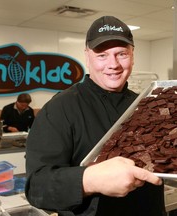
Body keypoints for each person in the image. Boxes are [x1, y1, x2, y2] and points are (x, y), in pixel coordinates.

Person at [25, 16, 166, 216]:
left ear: (133, 55)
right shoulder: (59, 109)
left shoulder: (146, 105)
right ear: (87, 56)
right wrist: (89, 180)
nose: (113, 64)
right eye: (102, 55)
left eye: (121, 54)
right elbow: (37, 187)